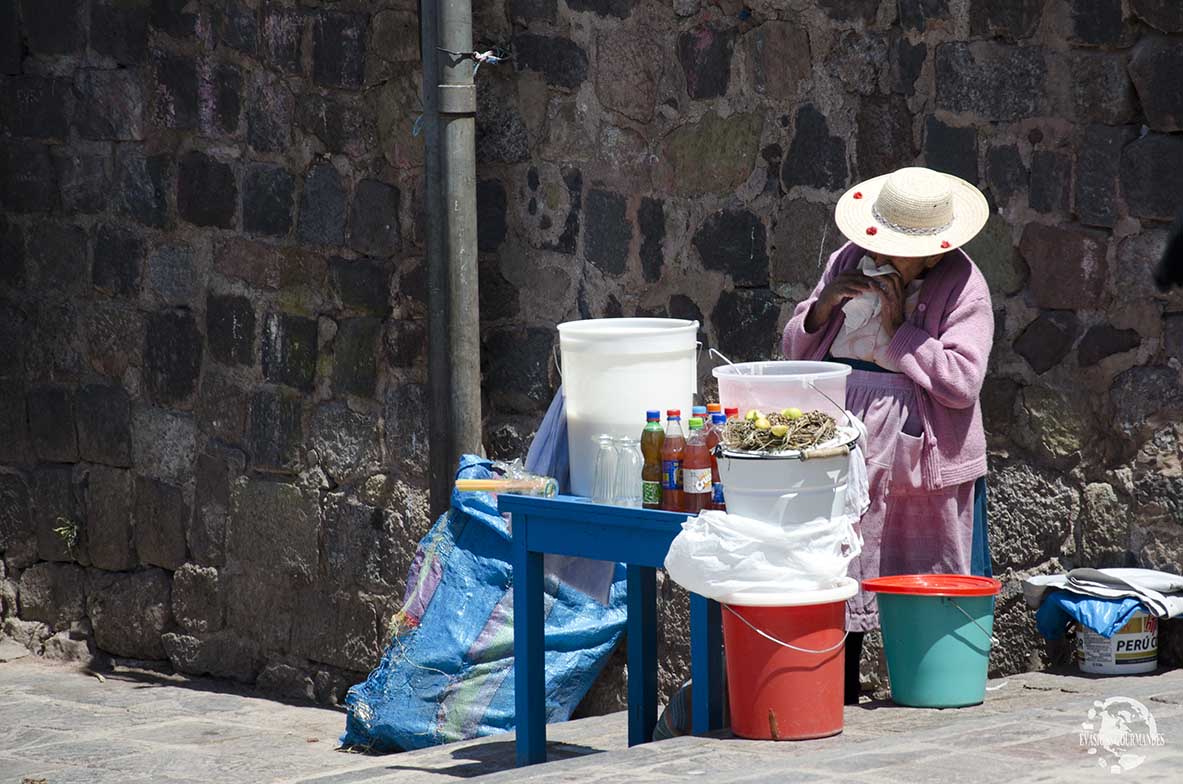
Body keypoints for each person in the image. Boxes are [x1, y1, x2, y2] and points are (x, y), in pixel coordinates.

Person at [782, 166, 995, 705]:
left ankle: (930, 687)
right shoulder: (846, 260)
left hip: (918, 449)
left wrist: (903, 328)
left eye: (901, 249)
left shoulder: (965, 286)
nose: (882, 256)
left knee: (923, 563)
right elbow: (795, 351)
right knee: (842, 560)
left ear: (932, 253)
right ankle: (838, 691)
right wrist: (823, 307)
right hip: (845, 434)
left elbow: (961, 382)